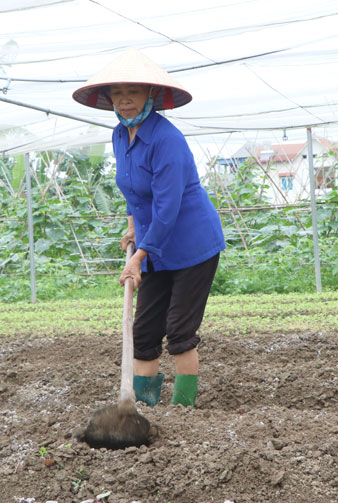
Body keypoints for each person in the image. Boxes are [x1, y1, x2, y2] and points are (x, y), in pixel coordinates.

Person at [73, 48, 225, 408]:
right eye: (118, 93)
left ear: (151, 96)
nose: (125, 101)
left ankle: (184, 408)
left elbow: (168, 206)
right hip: (154, 244)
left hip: (191, 245)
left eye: (134, 92)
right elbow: (134, 190)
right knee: (144, 331)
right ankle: (142, 407)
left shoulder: (166, 140)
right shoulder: (119, 135)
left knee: (179, 329)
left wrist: (138, 256)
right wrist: (132, 226)